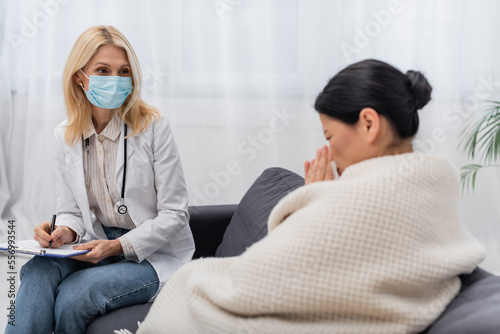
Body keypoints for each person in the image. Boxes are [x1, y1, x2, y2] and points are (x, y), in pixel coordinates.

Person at [135, 59, 486, 334]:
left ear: (368, 124)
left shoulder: (361, 198)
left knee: (189, 281)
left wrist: (316, 197)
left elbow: (259, 279)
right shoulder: (435, 181)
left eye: (330, 136)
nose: (329, 152)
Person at [5, 25, 194, 334]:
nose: (115, 80)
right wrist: (63, 231)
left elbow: (175, 214)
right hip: (95, 240)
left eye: (123, 72)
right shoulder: (65, 135)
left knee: (75, 294)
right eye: (103, 70)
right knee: (37, 272)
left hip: (153, 253)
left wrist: (117, 245)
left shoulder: (154, 127)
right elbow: (72, 211)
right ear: (80, 77)